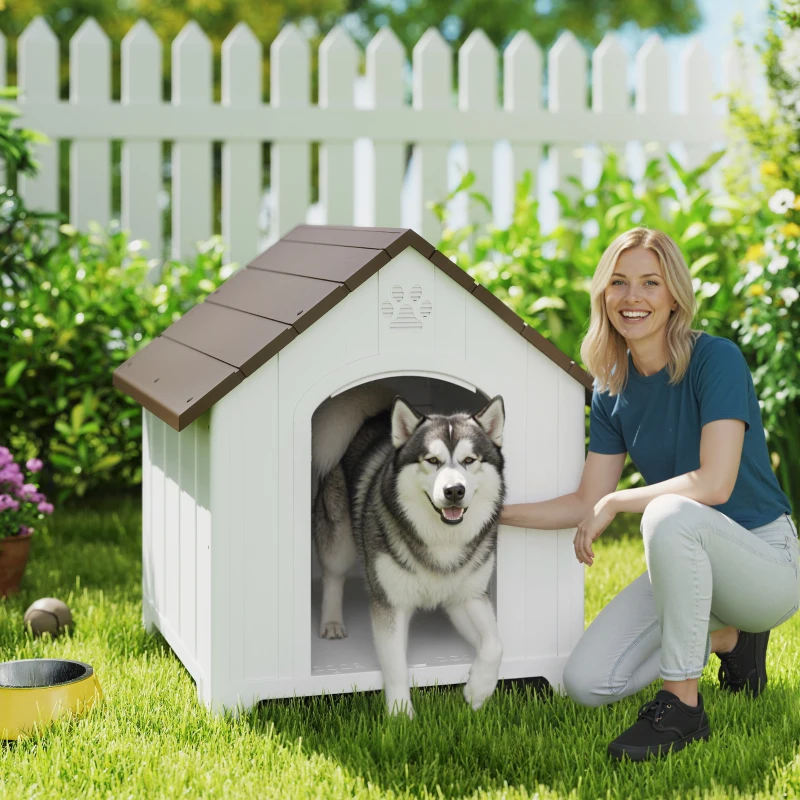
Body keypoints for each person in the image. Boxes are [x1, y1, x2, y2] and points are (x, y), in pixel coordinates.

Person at [499, 227, 799, 762]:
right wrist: (488, 514)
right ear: (603, 294)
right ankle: (732, 641)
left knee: (669, 514)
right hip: (691, 564)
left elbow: (715, 483)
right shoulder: (611, 387)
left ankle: (682, 706)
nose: (632, 297)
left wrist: (618, 502)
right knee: (588, 681)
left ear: (674, 295)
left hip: (765, 562)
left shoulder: (716, 360)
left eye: (650, 283)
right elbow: (584, 501)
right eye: (618, 282)